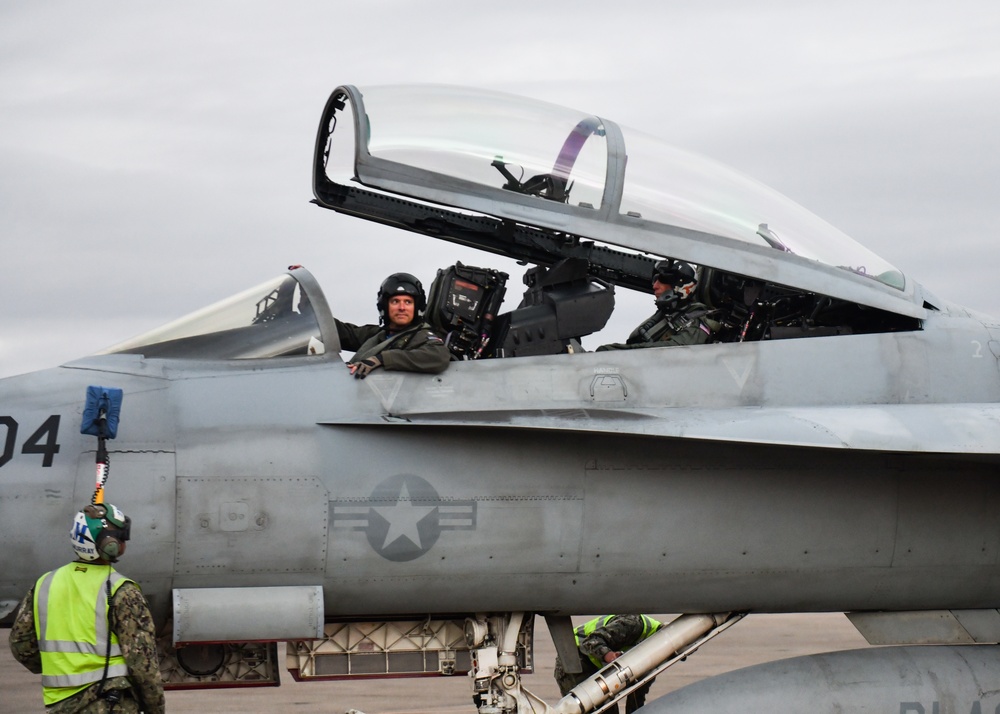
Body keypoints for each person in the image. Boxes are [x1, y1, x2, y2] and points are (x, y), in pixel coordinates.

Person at [8, 503, 165, 714]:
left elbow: (21, 644)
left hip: (60, 705)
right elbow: (143, 665)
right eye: (120, 538)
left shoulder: (44, 584)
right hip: (110, 703)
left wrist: (60, 665)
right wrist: (155, 709)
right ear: (108, 544)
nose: (123, 544)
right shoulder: (121, 591)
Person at [336, 272, 450, 378]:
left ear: (417, 307)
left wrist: (382, 359)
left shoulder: (422, 336)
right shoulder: (377, 335)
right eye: (395, 301)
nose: (402, 308)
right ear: (385, 306)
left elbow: (439, 356)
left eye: (408, 302)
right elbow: (341, 333)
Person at [597, 259, 721, 350]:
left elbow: (677, 351)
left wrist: (614, 351)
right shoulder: (669, 315)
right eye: (655, 279)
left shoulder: (697, 320)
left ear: (680, 284)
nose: (654, 286)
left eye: (662, 280)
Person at [554, 614, 664, 713]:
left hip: (593, 665)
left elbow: (637, 695)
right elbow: (591, 641)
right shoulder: (632, 624)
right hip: (573, 657)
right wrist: (609, 655)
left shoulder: (655, 654)